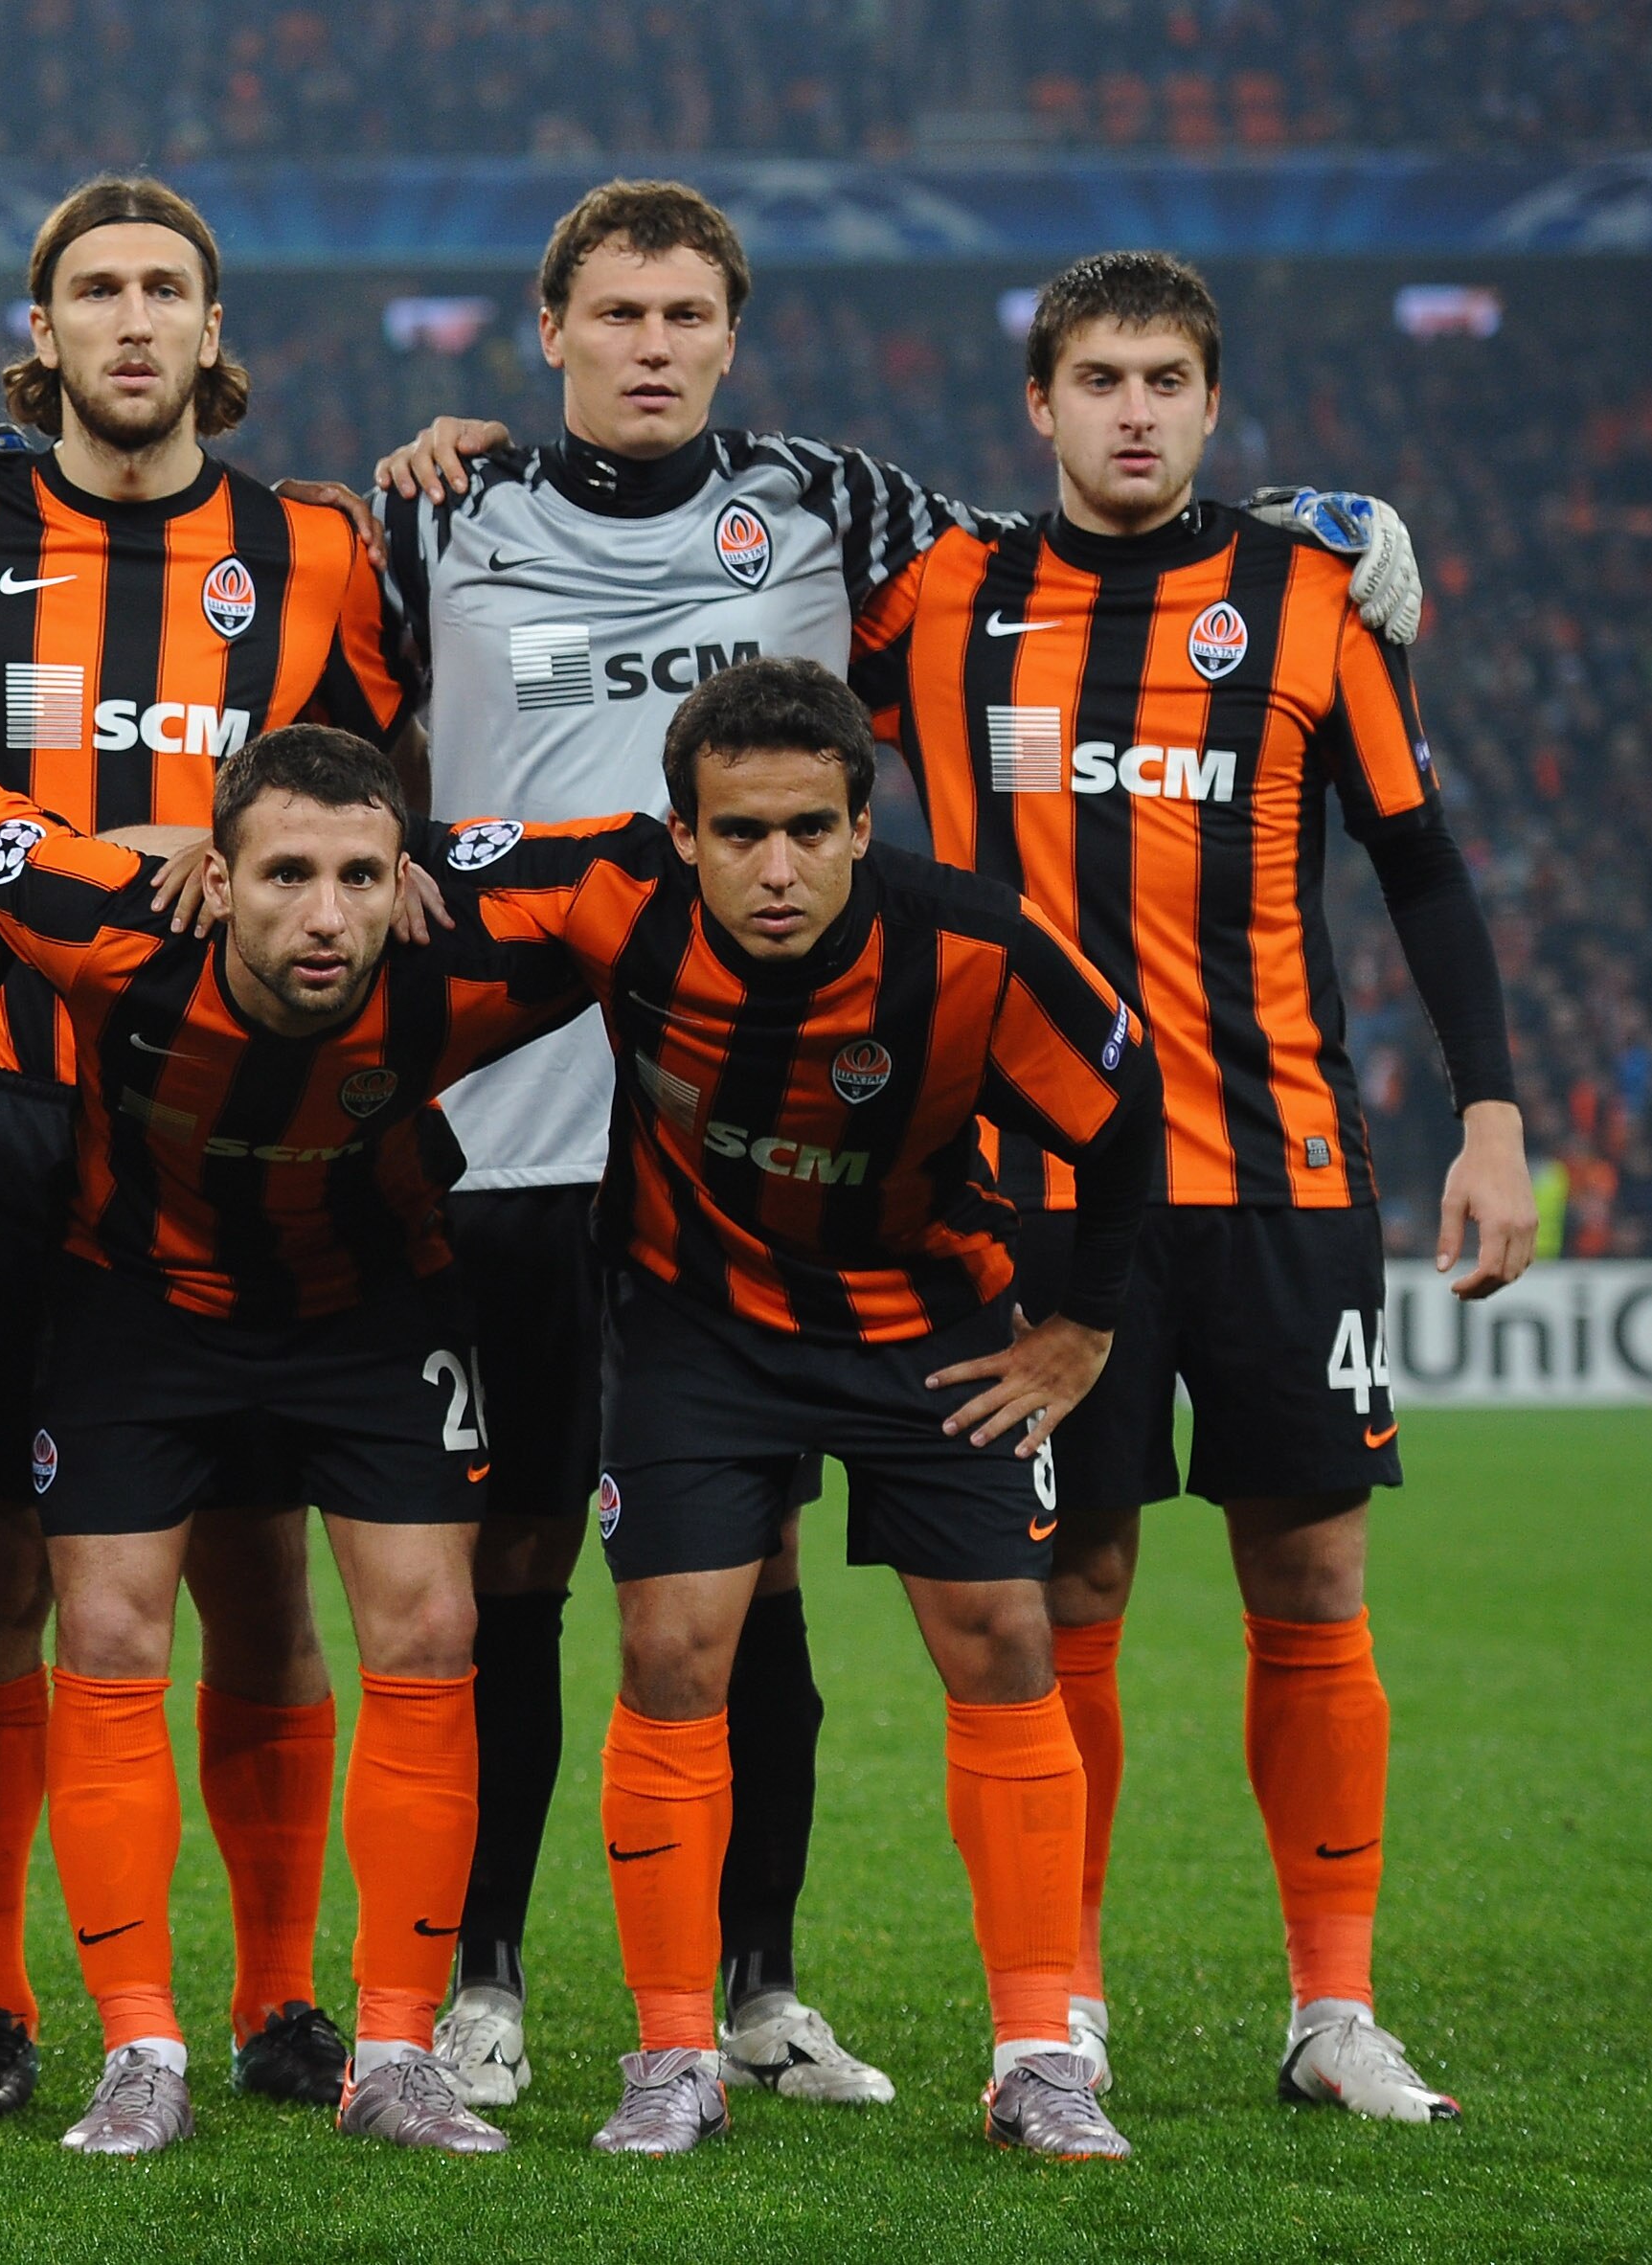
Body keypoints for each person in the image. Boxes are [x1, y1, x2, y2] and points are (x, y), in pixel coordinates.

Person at [344, 177, 1426, 2111]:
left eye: (686, 314)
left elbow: (1101, 540)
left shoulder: (839, 506)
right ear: (548, 331)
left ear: (730, 335)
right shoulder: (433, 512)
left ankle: (754, 1992)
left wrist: (1316, 534)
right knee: (507, 1557)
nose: (651, 344)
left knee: (739, 1570)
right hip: (512, 1129)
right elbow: (345, 761)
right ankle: (487, 1973)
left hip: (769, 1139)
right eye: (615, 314)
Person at [850, 249, 1531, 2121]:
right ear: (1037, 406)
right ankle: (1051, 2007)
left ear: (1209, 405)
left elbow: (1419, 866)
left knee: (1308, 1568)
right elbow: (709, 563)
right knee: (1064, 1580)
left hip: (1275, 1171)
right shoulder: (939, 596)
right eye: (1095, 377)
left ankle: (1330, 2011)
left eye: (1163, 378)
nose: (1130, 408)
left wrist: (1487, 1114)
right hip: (1028, 1192)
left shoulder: (1302, 598)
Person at [0, 174, 418, 2121]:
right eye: (98, 291)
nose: (134, 321)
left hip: (242, 1123)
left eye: (167, 289)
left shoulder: (314, 549)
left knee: (252, 1564)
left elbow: (393, 796)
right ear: (43, 329)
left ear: (213, 331)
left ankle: (270, 1997)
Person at [440, 656, 1160, 2162]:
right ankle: (668, 2052)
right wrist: (205, 854)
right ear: (680, 834)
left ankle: (1037, 2053)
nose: (777, 868)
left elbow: (1120, 1105)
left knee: (1004, 1637)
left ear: (857, 821)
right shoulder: (610, 894)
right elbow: (403, 865)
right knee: (670, 1643)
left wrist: (1082, 1325)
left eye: (810, 830)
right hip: (695, 1320)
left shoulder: (969, 945)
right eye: (739, 832)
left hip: (925, 1325)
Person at [0, 724, 576, 2160]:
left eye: (361, 876)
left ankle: (391, 2047)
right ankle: (136, 2044)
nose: (325, 914)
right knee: (103, 1627)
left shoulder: (467, 957)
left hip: (369, 1304)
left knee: (429, 1627)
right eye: (287, 873)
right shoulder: (104, 929)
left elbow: (663, 867)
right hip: (140, 1304)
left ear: (403, 876)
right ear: (212, 873)